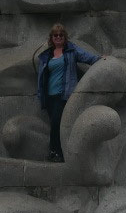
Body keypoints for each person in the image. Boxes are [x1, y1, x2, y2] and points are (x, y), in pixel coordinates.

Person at [35, 23, 100, 162]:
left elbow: (87, 57)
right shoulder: (47, 55)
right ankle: (57, 153)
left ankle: (56, 152)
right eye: (55, 35)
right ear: (51, 38)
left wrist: (100, 59)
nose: (58, 37)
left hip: (63, 94)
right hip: (49, 96)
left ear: (64, 37)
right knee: (55, 124)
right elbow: (42, 77)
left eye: (61, 35)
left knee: (56, 123)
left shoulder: (71, 50)